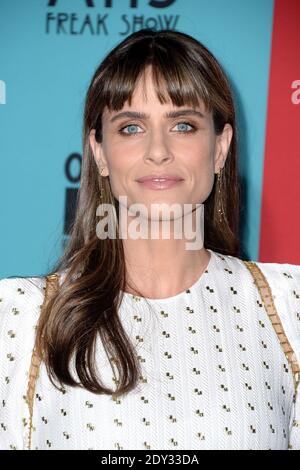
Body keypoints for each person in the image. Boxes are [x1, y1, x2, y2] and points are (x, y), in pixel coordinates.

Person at [0, 28, 299, 451]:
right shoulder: (16, 319)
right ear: (99, 152)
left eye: (182, 124)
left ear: (220, 148)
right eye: (131, 128)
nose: (158, 150)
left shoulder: (288, 308)